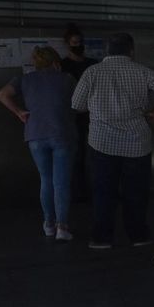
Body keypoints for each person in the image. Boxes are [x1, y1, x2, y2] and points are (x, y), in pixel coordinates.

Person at [70, 33, 154, 249]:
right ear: (131, 51)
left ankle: (102, 238)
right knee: (136, 191)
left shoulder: (92, 72)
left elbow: (76, 104)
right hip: (137, 142)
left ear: (107, 51)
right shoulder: (142, 71)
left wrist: (99, 107)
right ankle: (138, 236)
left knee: (103, 191)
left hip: (101, 142)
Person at [0, 46, 78, 241]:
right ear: (56, 63)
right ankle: (62, 227)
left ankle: (48, 224)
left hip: (34, 134)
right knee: (61, 182)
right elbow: (80, 102)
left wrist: (19, 112)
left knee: (46, 180)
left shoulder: (24, 79)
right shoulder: (66, 78)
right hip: (62, 133)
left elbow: (1, 94)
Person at [59, 24, 97, 201]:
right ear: (68, 44)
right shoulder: (62, 66)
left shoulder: (92, 65)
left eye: (80, 42)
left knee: (97, 153)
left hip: (94, 114)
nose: (78, 45)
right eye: (74, 42)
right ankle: (81, 190)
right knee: (77, 154)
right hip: (74, 116)